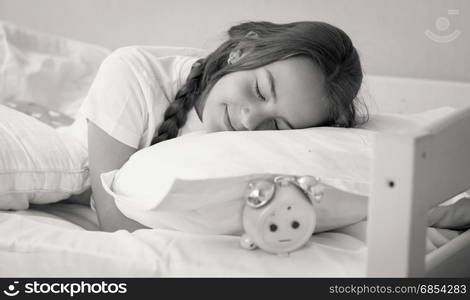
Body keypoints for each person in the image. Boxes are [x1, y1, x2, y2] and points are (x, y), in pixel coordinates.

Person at [69, 20, 368, 232]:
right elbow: (113, 221)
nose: (251, 121)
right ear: (242, 51)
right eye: (260, 91)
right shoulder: (134, 73)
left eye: (277, 125)